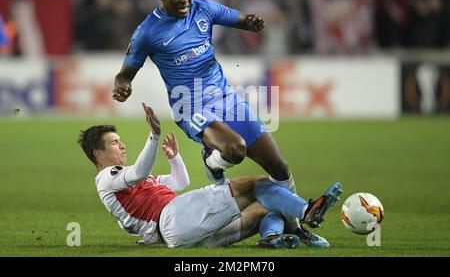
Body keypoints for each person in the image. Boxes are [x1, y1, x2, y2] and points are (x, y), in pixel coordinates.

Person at [111, 0, 338, 245]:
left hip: (226, 99)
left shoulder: (202, 9)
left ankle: (293, 227)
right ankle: (213, 161)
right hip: (189, 106)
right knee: (236, 149)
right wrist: (122, 84)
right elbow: (125, 73)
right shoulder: (147, 32)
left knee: (279, 167)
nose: (184, 0)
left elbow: (238, 18)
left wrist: (251, 22)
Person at [78, 103, 342, 248]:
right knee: (256, 184)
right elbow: (139, 172)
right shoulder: (107, 178)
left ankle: (271, 238)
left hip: (183, 232)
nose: (122, 145)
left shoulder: (126, 182)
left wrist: (174, 158)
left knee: (265, 208)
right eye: (114, 142)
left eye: (120, 140)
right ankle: (307, 210)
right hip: (175, 217)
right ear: (97, 153)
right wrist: (155, 135)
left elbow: (180, 183)